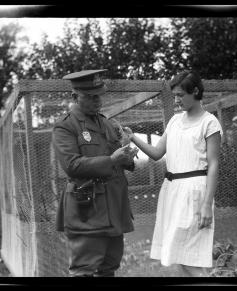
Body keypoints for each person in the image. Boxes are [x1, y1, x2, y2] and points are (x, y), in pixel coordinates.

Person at [123, 70, 222, 277]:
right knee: (178, 255)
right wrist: (133, 138)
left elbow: (213, 165)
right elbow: (157, 153)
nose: (177, 100)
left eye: (180, 95)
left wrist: (206, 205)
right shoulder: (175, 121)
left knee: (190, 258)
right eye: (175, 95)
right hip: (172, 190)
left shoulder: (209, 122)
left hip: (196, 190)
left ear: (195, 91)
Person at [52, 69, 139, 277]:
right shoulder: (65, 127)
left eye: (99, 95)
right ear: (75, 96)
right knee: (84, 269)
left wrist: (126, 156)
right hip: (88, 209)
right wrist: (111, 160)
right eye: (90, 97)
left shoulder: (107, 123)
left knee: (109, 267)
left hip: (114, 207)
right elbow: (72, 165)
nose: (97, 100)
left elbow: (117, 158)